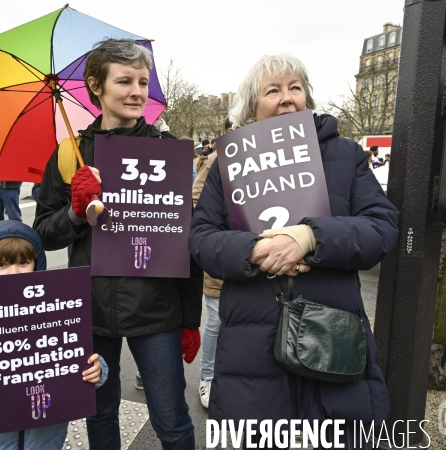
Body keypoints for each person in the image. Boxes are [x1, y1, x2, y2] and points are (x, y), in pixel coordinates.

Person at [189, 55, 399, 449]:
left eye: (295, 88)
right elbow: (201, 238)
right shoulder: (225, 166)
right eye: (273, 91)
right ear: (252, 107)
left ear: (307, 97)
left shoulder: (346, 155)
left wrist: (309, 238)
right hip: (252, 354)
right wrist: (254, 250)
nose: (287, 99)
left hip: (332, 340)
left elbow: (382, 228)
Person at [34, 38, 202, 450]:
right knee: (100, 415)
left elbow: (185, 238)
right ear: (96, 86)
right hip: (89, 311)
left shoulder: (168, 151)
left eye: (143, 82)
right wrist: (76, 211)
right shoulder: (68, 155)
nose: (137, 92)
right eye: (124, 81)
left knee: (172, 422)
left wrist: (190, 317)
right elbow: (42, 232)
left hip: (156, 312)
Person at [0, 220, 108, 449]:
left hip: (46, 438)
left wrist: (98, 370)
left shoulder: (60, 317)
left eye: (23, 262)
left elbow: (80, 358)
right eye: (1, 265)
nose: (13, 273)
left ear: (37, 265)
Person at [191, 117, 232, 409]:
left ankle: (230, 377)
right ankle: (207, 377)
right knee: (216, 320)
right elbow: (195, 201)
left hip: (255, 259)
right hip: (222, 256)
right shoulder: (216, 160)